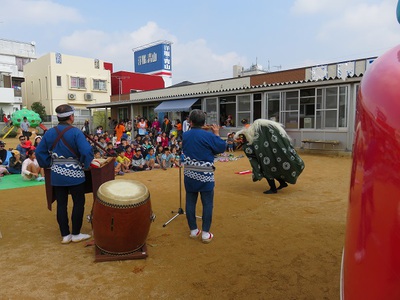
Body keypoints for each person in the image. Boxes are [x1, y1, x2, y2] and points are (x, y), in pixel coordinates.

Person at [35, 104, 94, 244]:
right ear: (71, 117)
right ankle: (76, 233)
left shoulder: (49, 133)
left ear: (58, 117)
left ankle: (65, 235)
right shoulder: (76, 132)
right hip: (75, 173)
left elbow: (39, 152)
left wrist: (49, 163)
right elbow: (86, 151)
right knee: (78, 203)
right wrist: (84, 164)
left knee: (61, 204)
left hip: (56, 173)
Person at [182, 109, 226, 243]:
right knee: (207, 204)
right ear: (204, 122)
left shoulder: (185, 135)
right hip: (205, 174)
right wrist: (216, 133)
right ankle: (206, 233)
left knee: (190, 201)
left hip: (189, 173)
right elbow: (221, 147)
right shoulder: (209, 136)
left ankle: (194, 231)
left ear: (190, 121)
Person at [234, 119, 305, 194]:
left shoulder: (249, 142)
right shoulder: (254, 136)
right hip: (267, 157)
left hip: (265, 159)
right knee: (273, 170)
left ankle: (273, 189)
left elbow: (252, 155)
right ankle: (282, 183)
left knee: (267, 172)